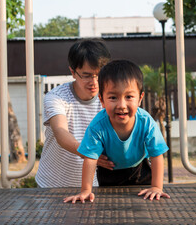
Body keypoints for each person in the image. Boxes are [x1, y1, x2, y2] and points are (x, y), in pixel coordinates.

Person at [64, 60, 170, 203]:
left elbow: (157, 154)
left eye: (129, 97)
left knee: (146, 204)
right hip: (109, 172)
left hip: (140, 169)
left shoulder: (146, 122)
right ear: (101, 100)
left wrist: (157, 187)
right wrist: (86, 190)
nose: (121, 105)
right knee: (110, 205)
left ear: (140, 98)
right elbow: (90, 159)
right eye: (113, 97)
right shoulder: (98, 126)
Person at [35, 39, 114, 188]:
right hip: (52, 185)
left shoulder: (110, 98)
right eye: (86, 75)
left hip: (92, 186)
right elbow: (60, 132)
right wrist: (88, 153)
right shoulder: (56, 97)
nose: (94, 81)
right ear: (73, 72)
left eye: (99, 74)